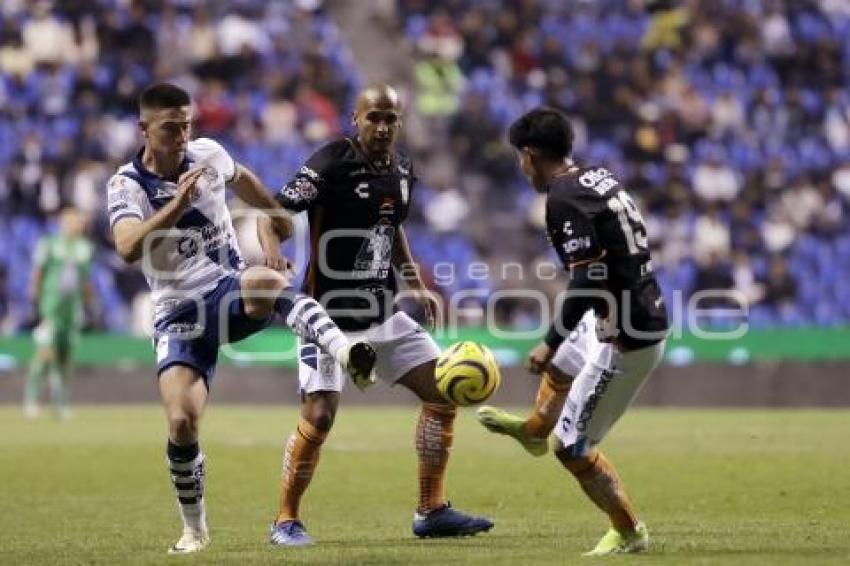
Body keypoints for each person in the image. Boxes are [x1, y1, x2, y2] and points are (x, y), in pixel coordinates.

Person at [107, 83, 376, 555]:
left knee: (265, 282)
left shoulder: (208, 153)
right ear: (145, 129)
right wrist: (177, 205)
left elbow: (248, 182)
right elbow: (128, 247)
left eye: (187, 124)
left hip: (227, 290)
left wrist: (273, 220)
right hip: (177, 312)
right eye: (171, 127)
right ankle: (195, 530)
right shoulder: (125, 184)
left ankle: (348, 351)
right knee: (181, 422)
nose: (182, 135)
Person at [268, 84, 493, 546]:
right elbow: (275, 208)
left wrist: (414, 281)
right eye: (374, 117)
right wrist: (272, 251)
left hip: (383, 312)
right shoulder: (331, 161)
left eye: (391, 118)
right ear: (356, 118)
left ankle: (431, 510)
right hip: (326, 318)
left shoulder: (404, 169)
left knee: (443, 392)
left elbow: (392, 229)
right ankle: (285, 520)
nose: (383, 127)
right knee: (320, 416)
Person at [477, 107, 669, 556]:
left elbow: (588, 278)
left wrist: (548, 341)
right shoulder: (596, 177)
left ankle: (628, 531)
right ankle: (533, 430)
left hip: (625, 338)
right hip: (620, 312)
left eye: (520, 159)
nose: (521, 168)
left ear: (529, 155)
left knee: (572, 448)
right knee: (563, 370)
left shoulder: (562, 197)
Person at [24, 207, 96, 420]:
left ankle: (61, 404)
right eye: (72, 221)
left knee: (66, 357)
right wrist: (36, 303)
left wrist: (89, 304)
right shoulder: (49, 244)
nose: (77, 225)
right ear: (63, 223)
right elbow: (38, 274)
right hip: (51, 307)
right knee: (45, 354)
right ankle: (32, 400)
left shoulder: (84, 248)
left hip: (71, 310)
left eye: (79, 221)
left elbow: (85, 280)